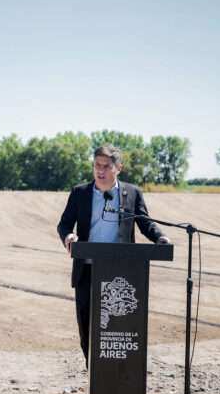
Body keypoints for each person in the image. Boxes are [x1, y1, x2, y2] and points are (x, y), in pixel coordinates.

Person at [56, 144, 170, 364]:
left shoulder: (132, 193)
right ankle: (95, 378)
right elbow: (64, 224)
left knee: (119, 328)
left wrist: (159, 237)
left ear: (119, 167)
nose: (100, 171)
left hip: (121, 274)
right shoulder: (80, 193)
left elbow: (144, 222)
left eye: (106, 166)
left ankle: (119, 378)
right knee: (87, 327)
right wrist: (69, 236)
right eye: (96, 166)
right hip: (87, 271)